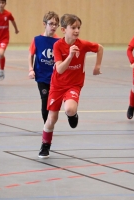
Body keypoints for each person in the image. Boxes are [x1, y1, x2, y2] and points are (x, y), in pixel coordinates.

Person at [38, 14, 103, 158]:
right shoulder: (57, 45)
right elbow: (60, 69)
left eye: (78, 27)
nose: (76, 30)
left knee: (70, 109)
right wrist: (70, 56)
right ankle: (45, 145)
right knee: (51, 119)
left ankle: (72, 115)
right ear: (63, 29)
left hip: (74, 84)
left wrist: (97, 66)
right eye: (73, 27)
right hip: (57, 86)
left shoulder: (83, 44)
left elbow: (100, 48)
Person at [28, 11, 60, 123]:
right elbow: (31, 54)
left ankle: (51, 123)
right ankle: (47, 127)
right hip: (41, 76)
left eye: (56, 24)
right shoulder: (37, 40)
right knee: (45, 100)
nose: (54, 26)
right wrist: (31, 69)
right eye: (51, 23)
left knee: (53, 103)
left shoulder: (59, 41)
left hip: (55, 78)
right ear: (44, 24)